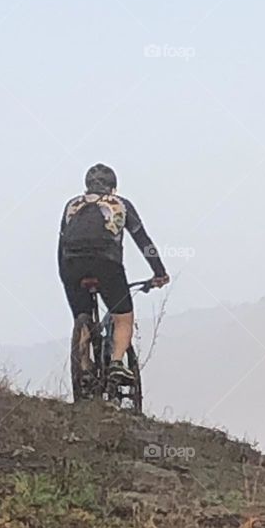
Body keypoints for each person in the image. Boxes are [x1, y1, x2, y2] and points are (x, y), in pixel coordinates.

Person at [58, 163, 170, 383]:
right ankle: (117, 364)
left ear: (87, 186)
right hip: (106, 264)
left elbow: (60, 244)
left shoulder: (71, 205)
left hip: (72, 266)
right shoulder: (121, 205)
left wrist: (65, 277)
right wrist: (159, 272)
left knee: (82, 317)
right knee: (123, 317)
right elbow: (143, 242)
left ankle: (83, 369)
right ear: (113, 188)